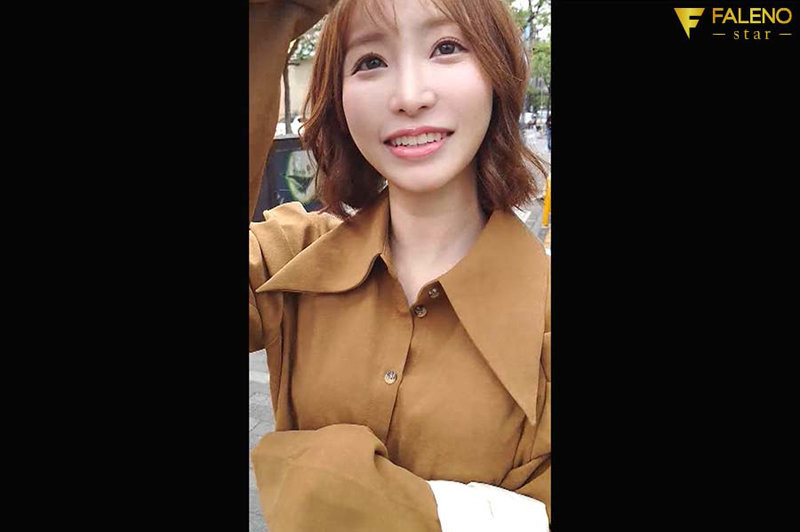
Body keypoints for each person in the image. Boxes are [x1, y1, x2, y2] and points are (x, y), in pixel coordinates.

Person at [249, 0, 551, 530]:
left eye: (447, 48)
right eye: (370, 61)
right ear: (339, 98)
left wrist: (314, 477)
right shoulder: (290, 256)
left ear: (498, 72)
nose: (410, 97)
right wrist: (267, 23)